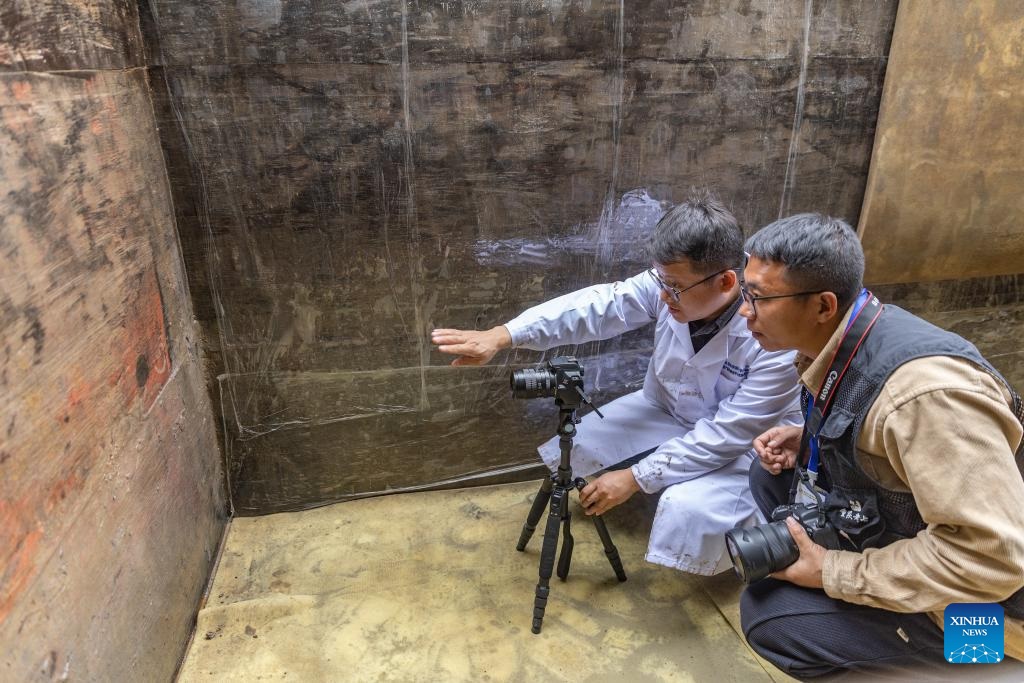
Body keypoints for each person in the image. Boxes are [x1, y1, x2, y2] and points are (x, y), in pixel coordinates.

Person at [432, 191, 801, 575]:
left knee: (687, 510)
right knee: (577, 444)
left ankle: (767, 530)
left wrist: (634, 479)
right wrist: (504, 335)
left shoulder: (772, 334)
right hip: (670, 409)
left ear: (725, 281)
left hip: (746, 444)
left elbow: (728, 434)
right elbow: (600, 305)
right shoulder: (679, 282)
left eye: (674, 287)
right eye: (660, 280)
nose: (663, 295)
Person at [737, 213, 1024, 678]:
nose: (744, 311)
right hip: (925, 534)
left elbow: (990, 560)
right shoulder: (852, 330)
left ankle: (985, 669)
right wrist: (812, 439)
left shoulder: (925, 399)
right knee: (770, 477)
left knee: (775, 619)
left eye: (759, 298)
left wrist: (832, 572)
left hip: (996, 609)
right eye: (745, 293)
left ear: (823, 305)